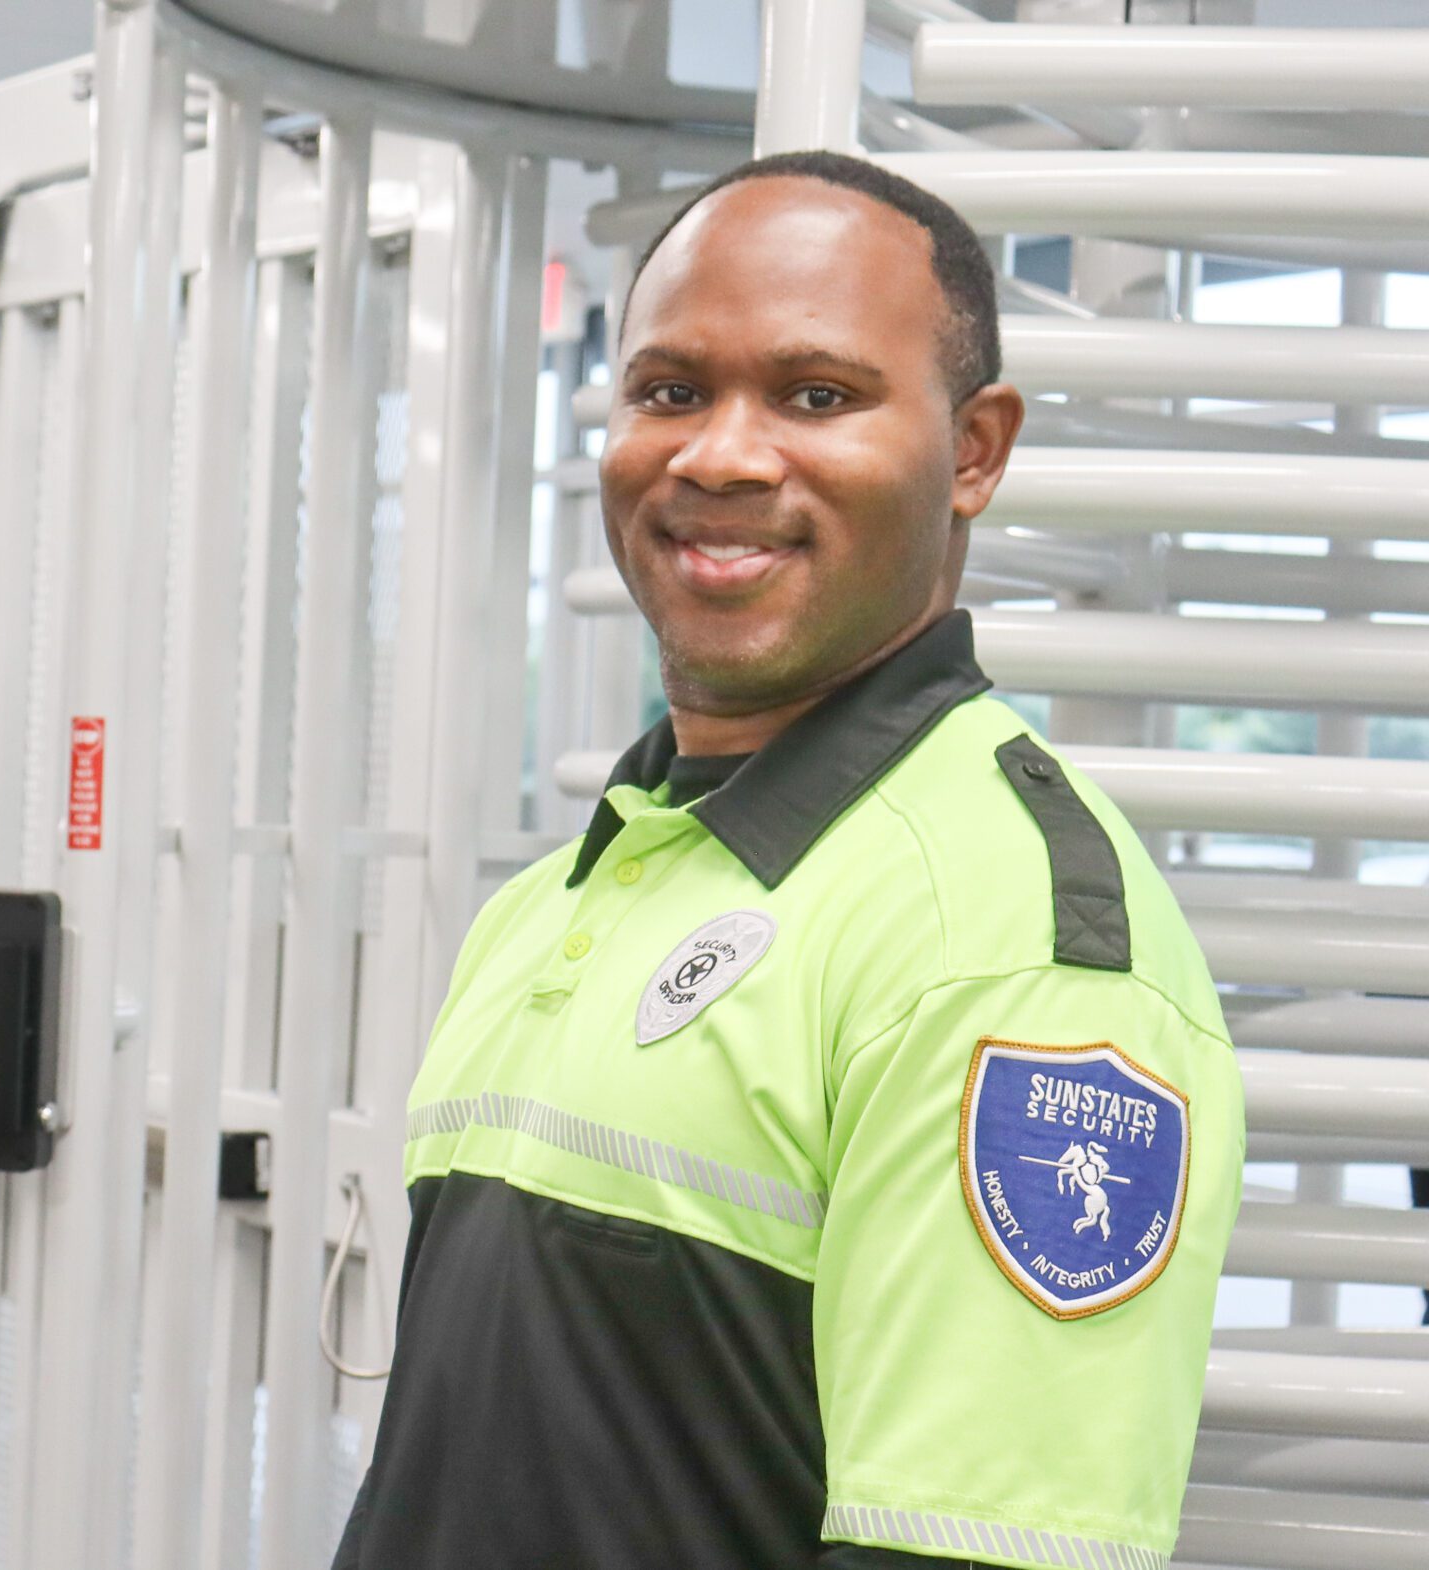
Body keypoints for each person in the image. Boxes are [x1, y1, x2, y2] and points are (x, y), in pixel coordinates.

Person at [332, 151, 1244, 1570]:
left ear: (975, 451)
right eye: (669, 390)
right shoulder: (559, 896)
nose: (719, 456)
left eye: (817, 396)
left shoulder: (1007, 949)